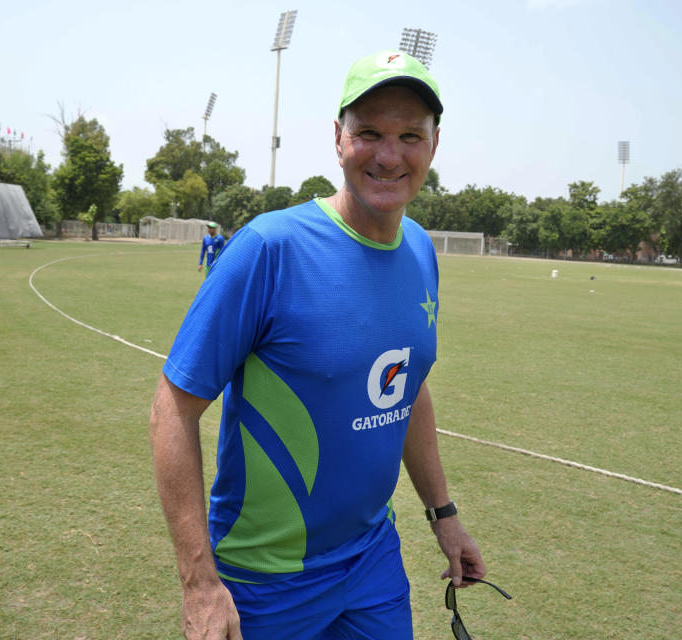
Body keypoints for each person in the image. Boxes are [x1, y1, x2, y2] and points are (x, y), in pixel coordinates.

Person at [150, 49, 485, 640]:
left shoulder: (420, 252)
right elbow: (171, 409)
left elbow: (406, 388)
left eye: (410, 134)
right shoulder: (268, 249)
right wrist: (199, 582)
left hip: (373, 559)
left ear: (434, 144)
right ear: (338, 138)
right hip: (265, 577)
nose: (388, 154)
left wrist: (444, 516)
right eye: (369, 133)